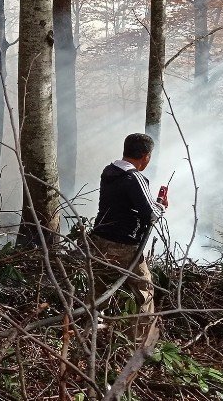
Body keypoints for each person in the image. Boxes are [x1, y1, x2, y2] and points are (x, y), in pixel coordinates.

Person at [89, 132, 167, 340]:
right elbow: (151, 214)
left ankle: (89, 332)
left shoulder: (109, 171)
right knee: (144, 290)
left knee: (99, 289)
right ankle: (142, 342)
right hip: (125, 246)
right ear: (146, 156)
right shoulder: (135, 178)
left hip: (99, 240)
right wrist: (160, 206)